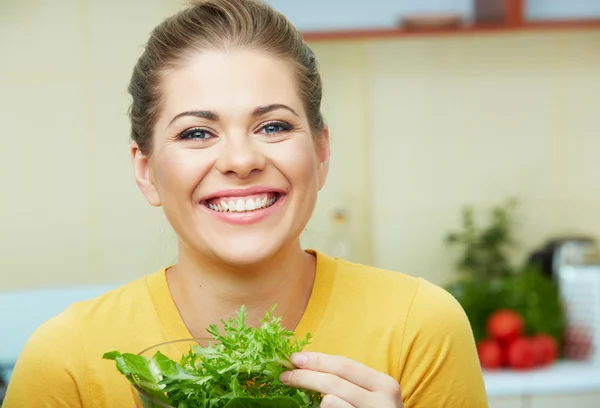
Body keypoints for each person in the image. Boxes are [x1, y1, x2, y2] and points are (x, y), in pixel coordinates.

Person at [4, 0, 489, 407]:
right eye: (197, 132)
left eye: (273, 126)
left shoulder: (418, 328)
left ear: (320, 153)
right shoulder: (66, 361)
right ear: (146, 170)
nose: (241, 159)